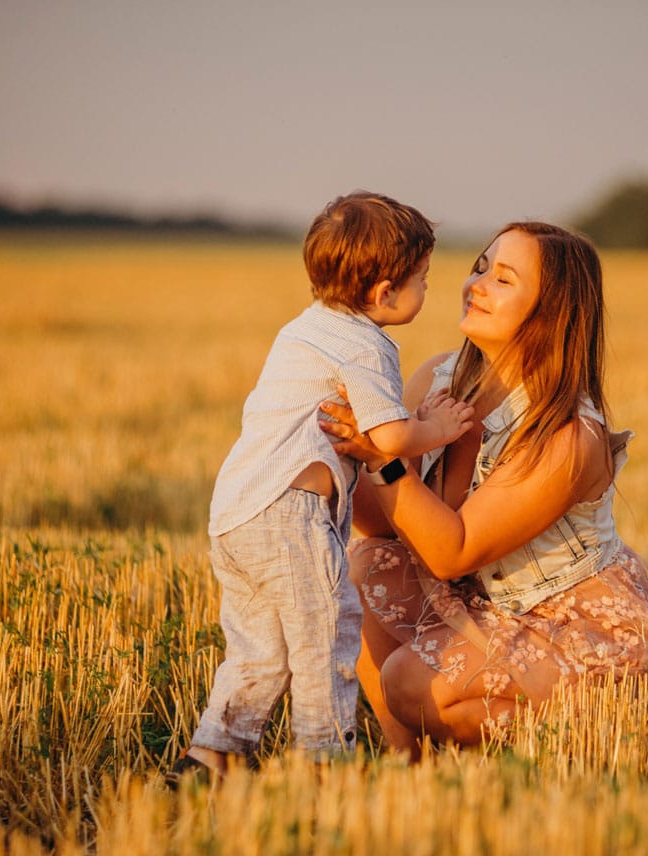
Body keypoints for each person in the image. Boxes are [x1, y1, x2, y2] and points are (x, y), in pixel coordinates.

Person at [321, 221, 648, 756]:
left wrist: (385, 461)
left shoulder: (565, 433)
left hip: (572, 627)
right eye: (480, 267)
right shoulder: (441, 376)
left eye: (504, 279)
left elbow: (452, 551)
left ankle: (583, 744)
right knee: (361, 566)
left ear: (551, 311)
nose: (478, 284)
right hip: (486, 605)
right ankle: (408, 764)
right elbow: (385, 523)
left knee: (411, 682)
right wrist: (345, 447)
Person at [168, 192, 474, 783]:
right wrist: (436, 427)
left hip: (237, 512)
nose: (429, 289)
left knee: (260, 650)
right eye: (423, 279)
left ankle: (212, 753)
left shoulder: (306, 328)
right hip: (288, 517)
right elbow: (385, 437)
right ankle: (325, 763)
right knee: (327, 636)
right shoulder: (366, 344)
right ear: (384, 293)